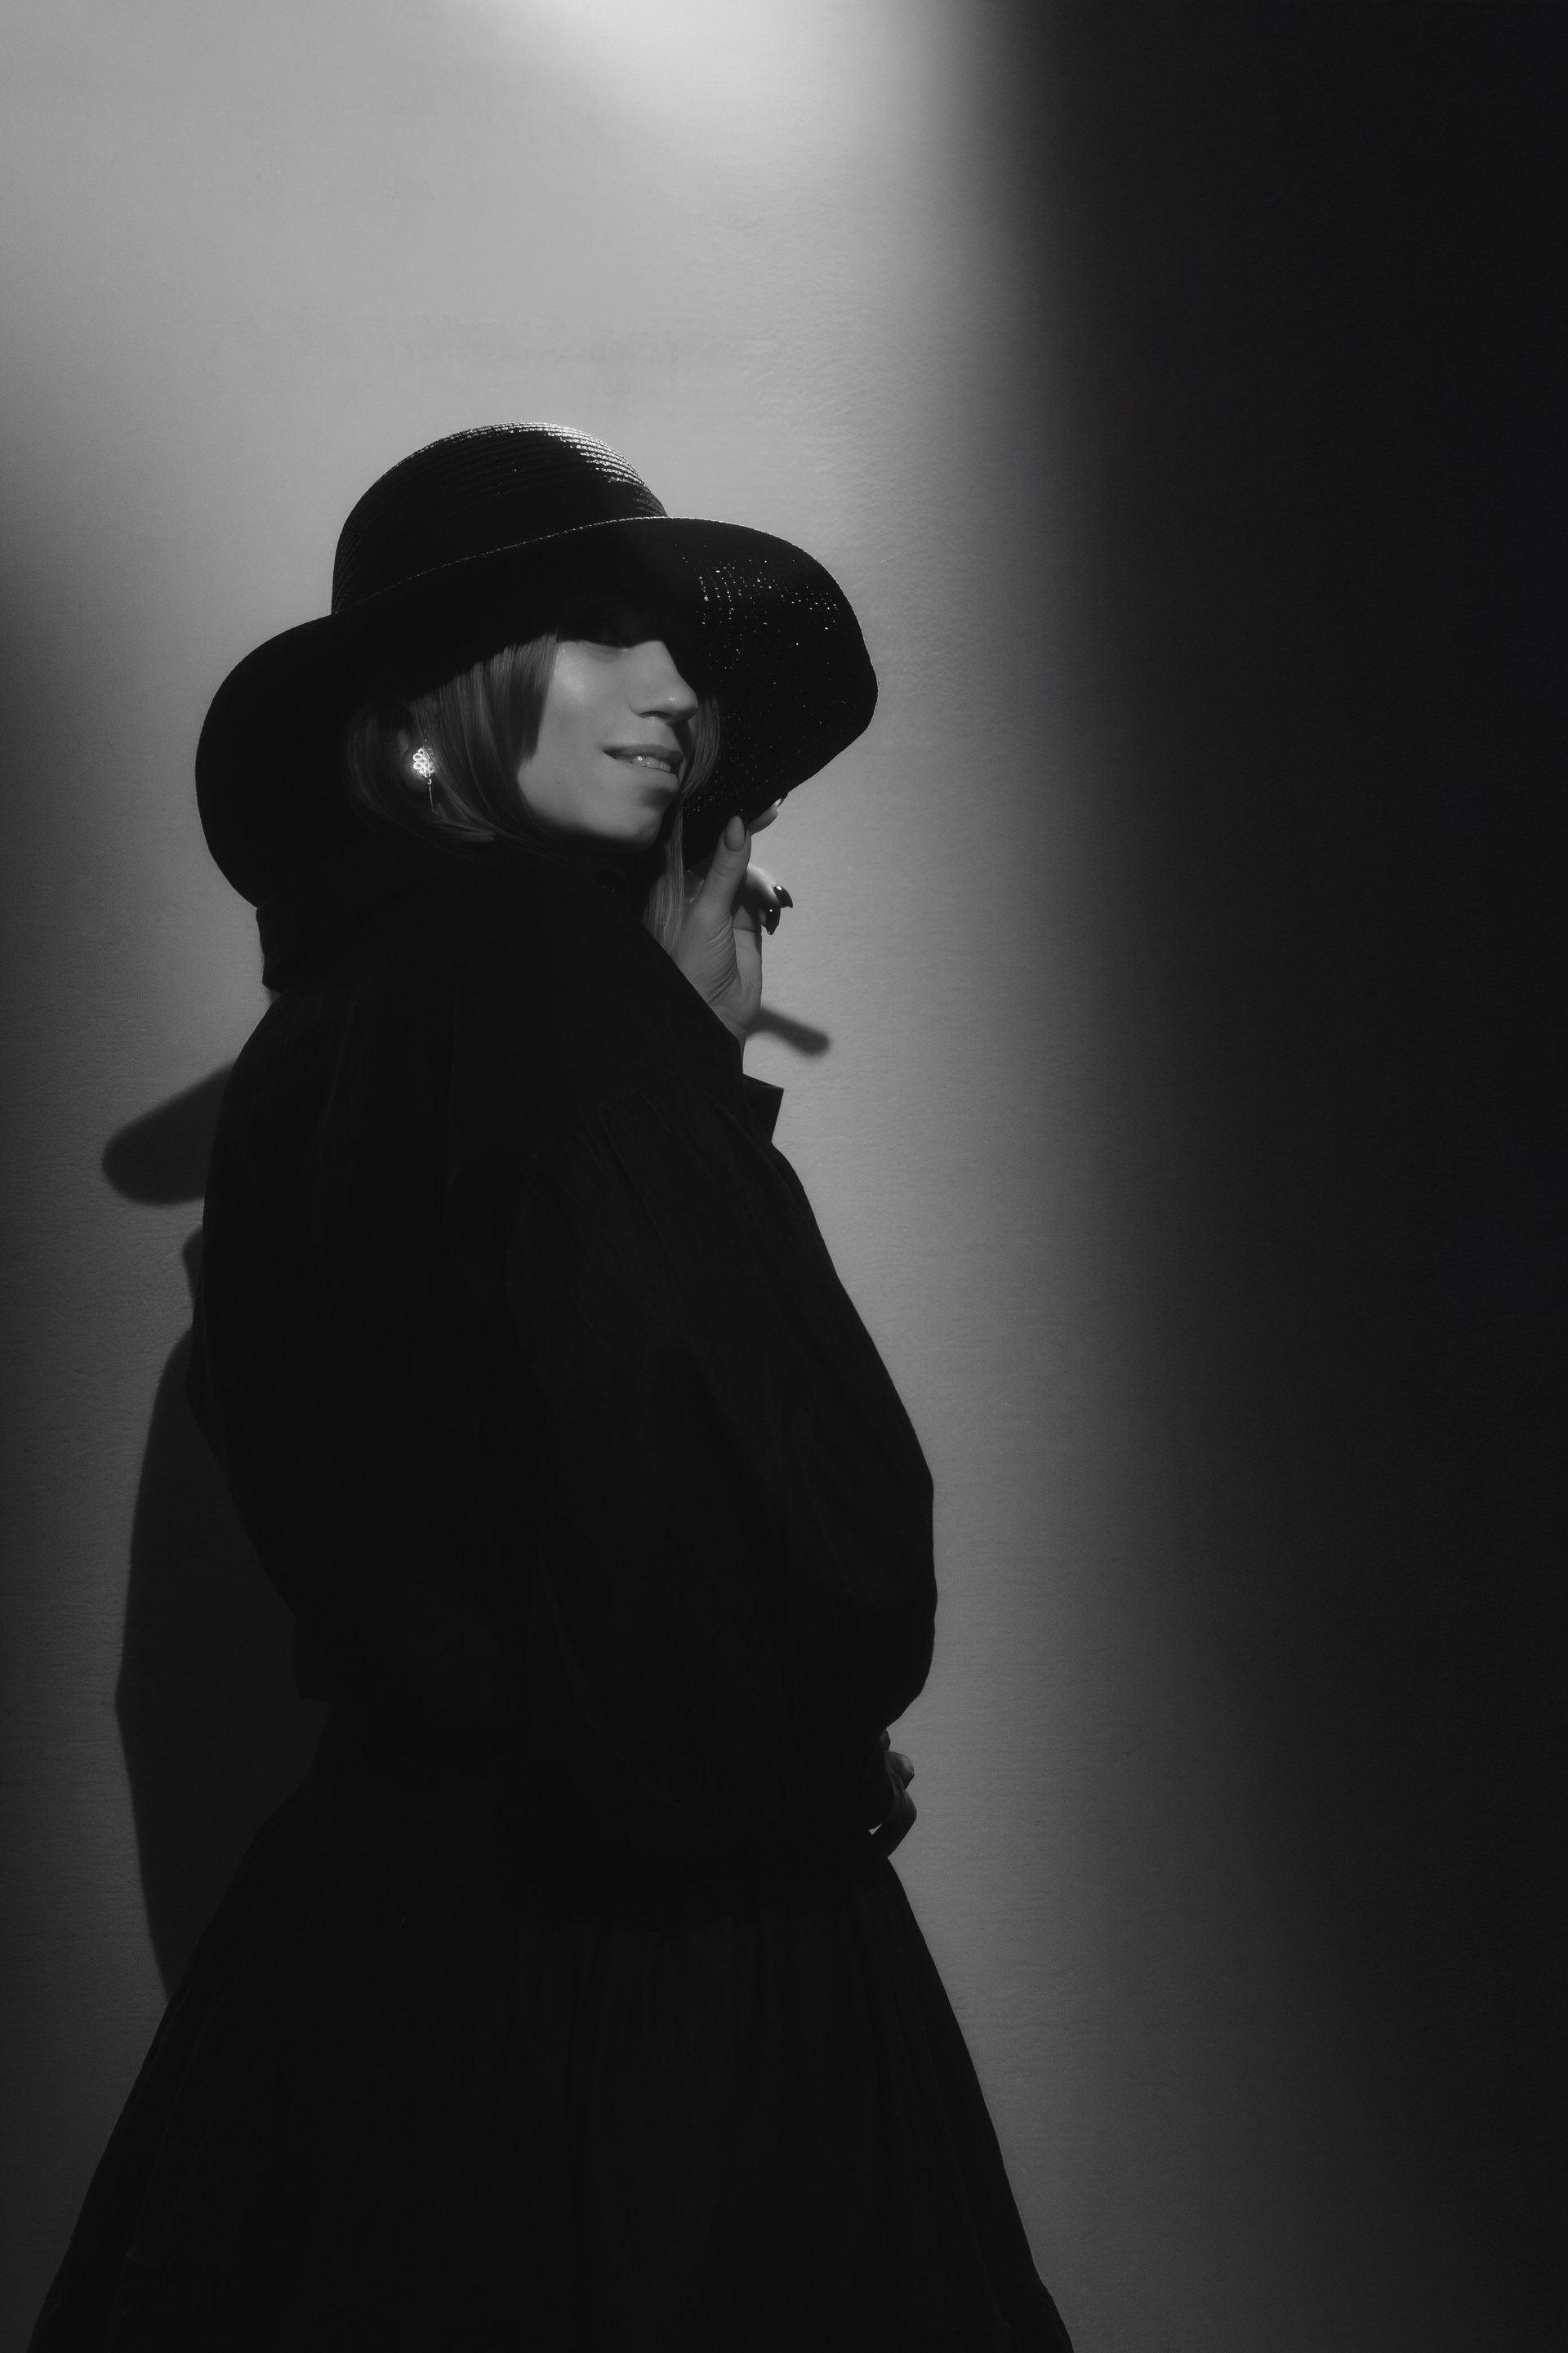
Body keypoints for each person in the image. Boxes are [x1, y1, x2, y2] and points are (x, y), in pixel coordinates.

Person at [31, 426, 1072, 2351]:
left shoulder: (332, 1030)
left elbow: (531, 1505)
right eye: (602, 627)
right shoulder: (545, 1005)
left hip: (378, 1977)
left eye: (678, 645)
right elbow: (776, 1570)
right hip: (634, 2011)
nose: (675, 687)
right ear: (440, 696)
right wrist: (685, 1078)